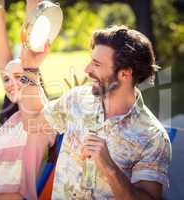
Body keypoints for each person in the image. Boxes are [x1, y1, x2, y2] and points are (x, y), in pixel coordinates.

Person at [19, 25, 172, 199]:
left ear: (125, 73)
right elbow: (32, 123)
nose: (87, 70)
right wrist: (30, 69)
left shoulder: (153, 137)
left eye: (97, 64)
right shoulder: (76, 100)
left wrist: (110, 169)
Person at [0, 1, 55, 199]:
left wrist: (32, 4)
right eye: (6, 78)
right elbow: (4, 64)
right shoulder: (11, 122)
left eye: (19, 77)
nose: (10, 83)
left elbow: (27, 55)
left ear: (32, 77)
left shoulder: (41, 117)